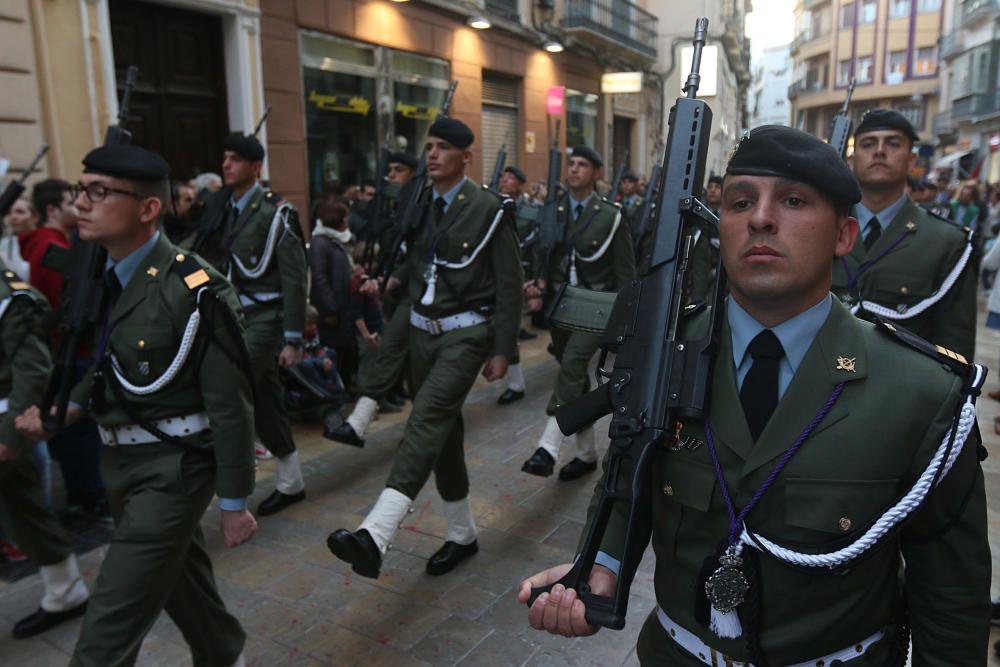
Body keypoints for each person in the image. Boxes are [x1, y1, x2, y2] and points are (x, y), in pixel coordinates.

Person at [519, 124, 990, 665]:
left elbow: (951, 598)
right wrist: (602, 563)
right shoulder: (663, 354)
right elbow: (630, 478)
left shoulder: (920, 392)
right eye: (740, 202)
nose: (761, 218)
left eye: (793, 201)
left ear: (843, 237)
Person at [17, 144, 256, 666]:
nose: (81, 202)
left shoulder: (195, 289)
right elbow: (110, 363)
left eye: (99, 192)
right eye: (82, 190)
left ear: (148, 209)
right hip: (120, 466)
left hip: (175, 468)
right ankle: (225, 655)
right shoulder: (109, 273)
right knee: (181, 581)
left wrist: (235, 501)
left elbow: (231, 405)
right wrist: (70, 409)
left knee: (106, 633)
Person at [325, 117, 522, 578]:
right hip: (419, 332)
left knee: (426, 417)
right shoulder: (420, 204)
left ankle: (376, 532)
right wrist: (389, 282)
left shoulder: (490, 209)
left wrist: (503, 350)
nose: (431, 154)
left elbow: (510, 285)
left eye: (442, 148)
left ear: (466, 157)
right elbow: (419, 265)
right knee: (443, 436)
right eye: (428, 146)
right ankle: (462, 534)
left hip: (465, 333)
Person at [521, 145, 635, 481]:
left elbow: (625, 272)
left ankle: (548, 446)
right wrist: (538, 285)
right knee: (575, 378)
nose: (573, 169)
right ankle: (586, 455)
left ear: (597, 173)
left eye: (582, 164)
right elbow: (547, 258)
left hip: (595, 305)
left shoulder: (610, 215)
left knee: (572, 364)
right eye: (570, 163)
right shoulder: (554, 210)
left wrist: (623, 320)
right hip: (561, 304)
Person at [834, 109, 976, 360]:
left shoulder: (945, 241)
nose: (879, 151)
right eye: (868, 144)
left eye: (893, 143)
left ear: (912, 161)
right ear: (852, 161)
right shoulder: (823, 227)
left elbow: (954, 348)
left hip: (898, 390)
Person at [218, 132, 309, 516]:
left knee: (228, 384)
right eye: (224, 158)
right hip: (236, 315)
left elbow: (293, 278)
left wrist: (293, 338)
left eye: (235, 159)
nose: (225, 165)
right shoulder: (226, 209)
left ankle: (232, 478)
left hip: (266, 319)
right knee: (267, 400)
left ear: (255, 168)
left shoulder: (276, 214)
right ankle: (291, 481)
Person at [1, 261, 90, 639]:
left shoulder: (12, 299)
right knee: (24, 509)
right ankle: (65, 591)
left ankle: (66, 591)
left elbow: (33, 370)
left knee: (25, 509)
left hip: (4, 420)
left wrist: (10, 437)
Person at [497, 164, 537, 406]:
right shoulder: (492, 204)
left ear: (521, 185)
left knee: (508, 328)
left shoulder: (530, 211)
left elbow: (534, 242)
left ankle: (516, 383)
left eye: (512, 178)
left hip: (520, 273)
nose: (506, 180)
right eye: (505, 176)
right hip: (495, 274)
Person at [310, 200, 359, 393]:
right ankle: (338, 389)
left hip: (344, 306)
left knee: (348, 349)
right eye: (343, 217)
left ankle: (347, 384)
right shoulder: (320, 242)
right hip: (332, 310)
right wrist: (330, 307)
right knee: (336, 350)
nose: (347, 221)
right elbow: (320, 277)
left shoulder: (338, 240)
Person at [0, 198, 34, 280]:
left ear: (35, 216)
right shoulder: (4, 243)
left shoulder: (40, 242)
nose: (13, 217)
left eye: (20, 212)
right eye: (9, 212)